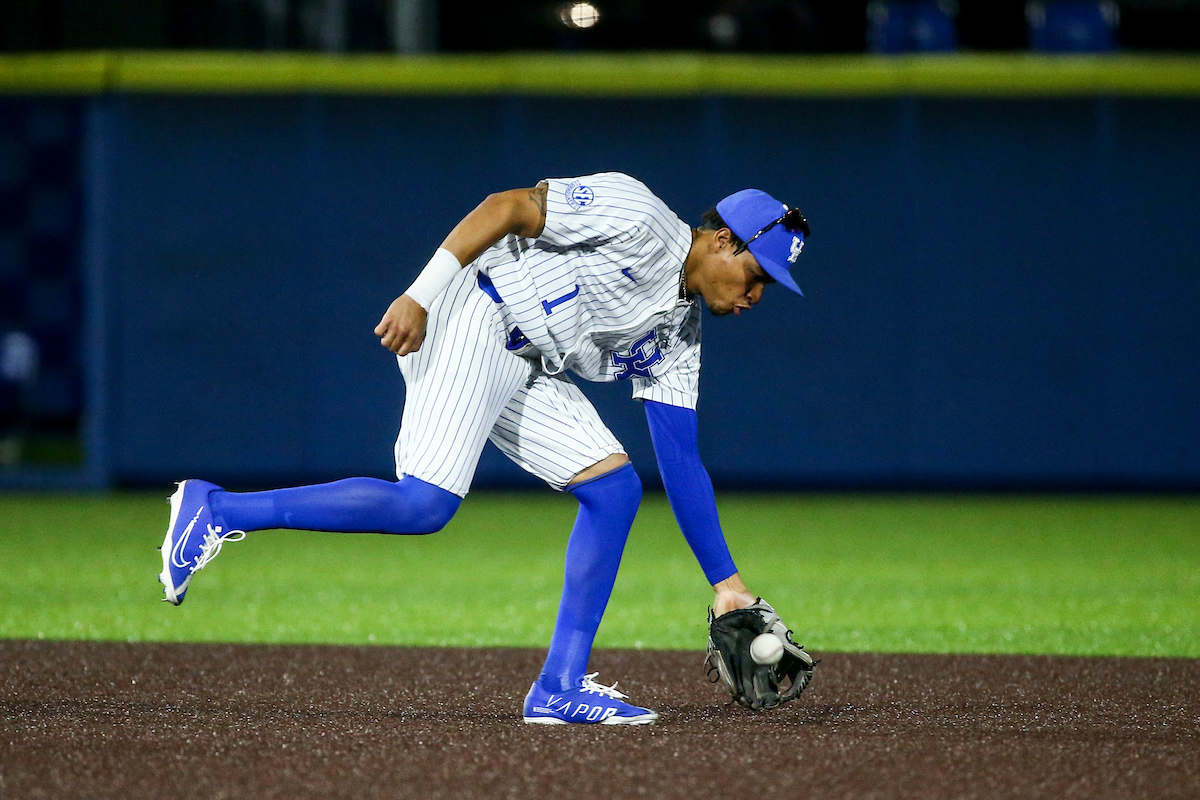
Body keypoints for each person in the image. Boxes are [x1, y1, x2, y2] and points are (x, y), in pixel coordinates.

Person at [158, 172, 810, 726]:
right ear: (723, 238)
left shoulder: (680, 334)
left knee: (614, 490)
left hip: (528, 361)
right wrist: (420, 293)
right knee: (422, 505)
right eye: (757, 275)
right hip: (477, 311)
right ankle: (216, 510)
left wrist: (728, 586)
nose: (755, 296)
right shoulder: (638, 215)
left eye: (768, 289)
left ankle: (559, 688)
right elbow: (507, 208)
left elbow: (682, 461)